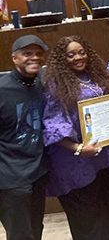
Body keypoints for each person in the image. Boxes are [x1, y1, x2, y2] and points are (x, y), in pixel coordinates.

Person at [42, 35, 109, 240]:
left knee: (104, 203)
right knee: (85, 214)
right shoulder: (55, 85)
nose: (78, 57)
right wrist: (79, 148)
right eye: (71, 54)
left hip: (104, 155)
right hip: (75, 161)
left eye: (82, 52)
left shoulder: (97, 74)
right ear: (61, 58)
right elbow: (52, 126)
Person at [0, 35, 48, 240]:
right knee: (20, 235)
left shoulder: (41, 83)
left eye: (38, 53)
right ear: (14, 58)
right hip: (11, 180)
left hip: (37, 173)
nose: (34, 58)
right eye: (27, 53)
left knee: (36, 229)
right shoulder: (2, 90)